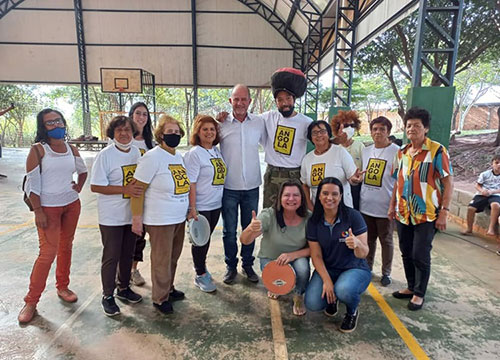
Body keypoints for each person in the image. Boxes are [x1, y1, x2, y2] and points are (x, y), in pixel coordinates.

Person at [18, 108, 88, 323]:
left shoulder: (72, 149)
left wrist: (78, 186)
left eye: (58, 121)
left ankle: (63, 286)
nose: (56, 125)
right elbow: (32, 185)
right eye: (50, 123)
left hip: (71, 205)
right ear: (43, 127)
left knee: (66, 247)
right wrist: (38, 211)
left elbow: (83, 171)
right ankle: (31, 301)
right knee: (47, 253)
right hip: (47, 208)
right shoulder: (38, 150)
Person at [388, 107, 453, 311]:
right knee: (406, 251)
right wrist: (392, 206)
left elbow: (448, 182)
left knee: (420, 253)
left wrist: (444, 211)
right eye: (409, 126)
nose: (412, 129)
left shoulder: (437, 151)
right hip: (403, 212)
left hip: (426, 213)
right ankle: (410, 286)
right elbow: (398, 182)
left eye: (417, 125)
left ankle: (419, 293)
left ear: (426, 128)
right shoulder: (402, 152)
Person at [131, 115, 189, 315]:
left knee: (173, 257)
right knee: (161, 259)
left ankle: (168, 288)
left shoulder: (178, 157)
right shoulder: (152, 157)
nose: (173, 136)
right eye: (169, 132)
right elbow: (137, 190)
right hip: (160, 219)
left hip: (178, 218)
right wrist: (137, 218)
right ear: (160, 135)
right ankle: (159, 297)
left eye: (176, 132)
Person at [91, 116, 144, 317]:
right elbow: (95, 186)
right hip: (111, 216)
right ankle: (107, 295)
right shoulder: (105, 155)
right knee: (111, 255)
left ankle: (123, 288)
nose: (124, 134)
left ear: (133, 132)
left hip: (131, 214)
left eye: (127, 130)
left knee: (127, 254)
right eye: (119, 130)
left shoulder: (139, 154)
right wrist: (125, 189)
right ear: (112, 133)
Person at [304, 177, 370, 333]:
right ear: (318, 196)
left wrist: (357, 244)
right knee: (312, 303)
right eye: (325, 193)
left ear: (341, 196)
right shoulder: (314, 222)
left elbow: (363, 253)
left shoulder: (353, 216)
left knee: (344, 290)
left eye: (334, 194)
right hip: (330, 269)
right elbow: (316, 256)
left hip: (354, 268)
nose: (329, 198)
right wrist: (327, 281)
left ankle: (352, 311)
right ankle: (332, 297)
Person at [217, 84, 266, 285]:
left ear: (249, 101)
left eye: (243, 99)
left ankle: (247, 264)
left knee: (250, 227)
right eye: (236, 99)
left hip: (252, 186)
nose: (239, 103)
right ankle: (231, 266)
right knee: (229, 230)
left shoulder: (259, 123)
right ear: (230, 101)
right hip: (228, 186)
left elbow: (270, 145)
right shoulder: (220, 124)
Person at [240, 179, 311, 316]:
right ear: (280, 198)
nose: (291, 199)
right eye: (286, 195)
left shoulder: (309, 218)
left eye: (296, 195)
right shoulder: (268, 215)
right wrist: (250, 229)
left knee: (303, 268)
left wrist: (291, 255)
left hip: (296, 257)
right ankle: (276, 286)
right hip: (271, 258)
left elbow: (314, 249)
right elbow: (245, 240)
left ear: (302, 198)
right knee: (275, 282)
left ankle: (298, 295)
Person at [184, 115, 227, 292]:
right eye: (205, 129)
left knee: (206, 240)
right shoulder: (195, 154)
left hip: (216, 204)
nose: (209, 132)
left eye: (212, 129)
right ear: (198, 132)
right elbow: (191, 183)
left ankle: (202, 269)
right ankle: (200, 274)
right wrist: (192, 208)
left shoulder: (216, 151)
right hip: (201, 205)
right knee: (200, 241)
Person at [261, 68, 313, 208]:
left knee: (294, 212)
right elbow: (247, 122)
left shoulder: (306, 122)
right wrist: (226, 118)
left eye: (288, 99)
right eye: (280, 100)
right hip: (272, 174)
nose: (284, 103)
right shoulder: (268, 118)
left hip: (294, 175)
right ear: (276, 102)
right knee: (270, 214)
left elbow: (323, 142)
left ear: (294, 99)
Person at [360, 117, 399, 286]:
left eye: (382, 129)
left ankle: (386, 272)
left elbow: (399, 181)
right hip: (366, 205)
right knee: (368, 240)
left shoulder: (397, 152)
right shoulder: (365, 151)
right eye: (375, 129)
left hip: (385, 207)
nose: (378, 132)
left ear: (388, 132)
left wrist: (393, 205)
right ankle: (367, 269)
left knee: (386, 240)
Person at [300, 120, 362, 210]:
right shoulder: (307, 159)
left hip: (342, 209)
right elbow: (305, 185)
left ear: (328, 134)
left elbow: (352, 177)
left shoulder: (340, 152)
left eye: (322, 131)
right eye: (314, 133)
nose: (319, 135)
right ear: (310, 137)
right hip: (318, 211)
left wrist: (355, 179)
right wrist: (310, 206)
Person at [128, 102, 155, 287]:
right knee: (125, 236)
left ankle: (133, 270)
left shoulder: (150, 144)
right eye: (138, 113)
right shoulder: (122, 140)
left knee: (139, 237)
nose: (141, 117)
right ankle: (121, 271)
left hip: (145, 196)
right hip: (125, 194)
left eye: (145, 114)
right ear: (131, 115)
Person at [331, 110, 365, 210]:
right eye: (346, 125)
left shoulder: (360, 146)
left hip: (355, 187)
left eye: (352, 125)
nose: (349, 128)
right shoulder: (334, 147)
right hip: (337, 186)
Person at [461, 154, 500, 236]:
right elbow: (477, 185)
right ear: (492, 164)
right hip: (482, 194)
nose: (499, 165)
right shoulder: (485, 174)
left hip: (496, 194)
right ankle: (469, 228)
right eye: (497, 163)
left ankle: (491, 228)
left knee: (496, 205)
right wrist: (482, 191)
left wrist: (492, 192)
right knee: (471, 208)